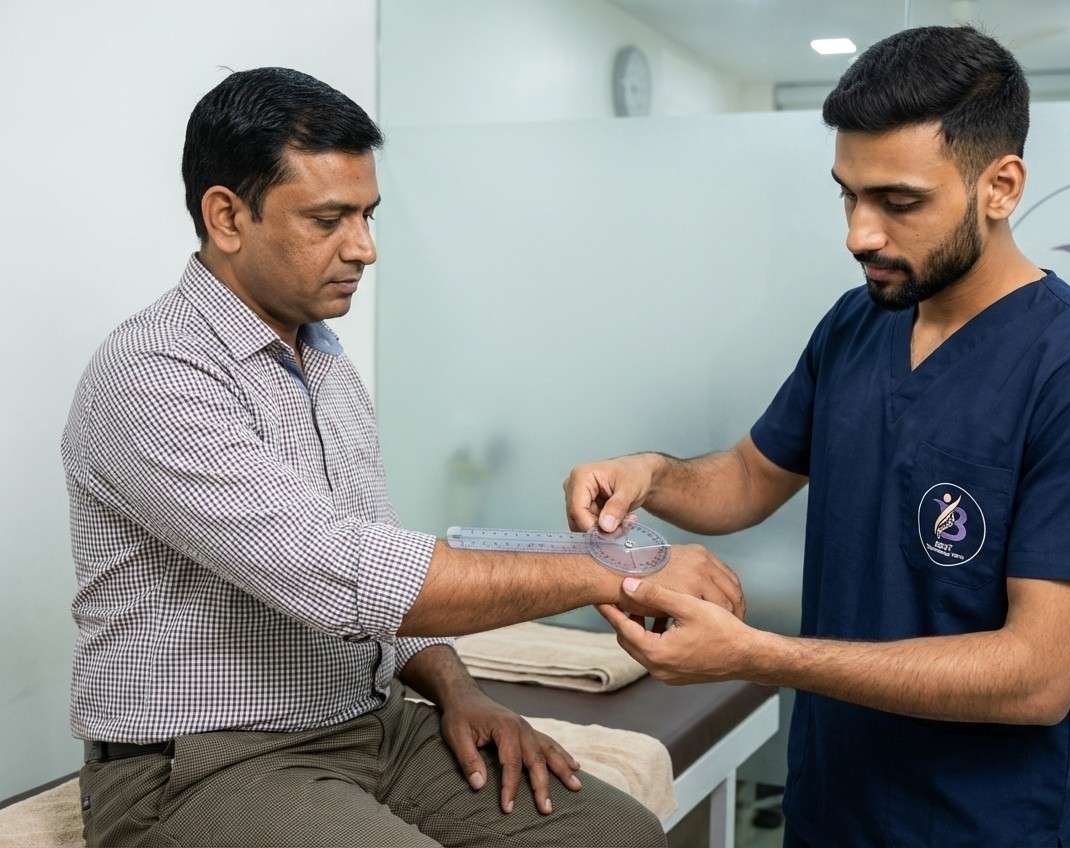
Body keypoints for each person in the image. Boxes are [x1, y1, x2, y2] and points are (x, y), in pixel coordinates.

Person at [63, 67, 744, 848]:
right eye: (329, 220)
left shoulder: (322, 360)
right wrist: (621, 568)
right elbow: (345, 575)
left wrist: (458, 692)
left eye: (368, 214)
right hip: (205, 765)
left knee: (614, 834)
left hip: (370, 728)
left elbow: (386, 567)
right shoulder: (154, 373)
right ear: (226, 216)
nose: (365, 248)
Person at [564, 26, 1070, 848]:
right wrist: (649, 475)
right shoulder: (858, 323)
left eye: (899, 201)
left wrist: (757, 654)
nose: (860, 234)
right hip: (831, 809)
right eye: (848, 194)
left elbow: (1038, 677)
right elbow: (746, 477)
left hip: (977, 827)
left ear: (1001, 186)